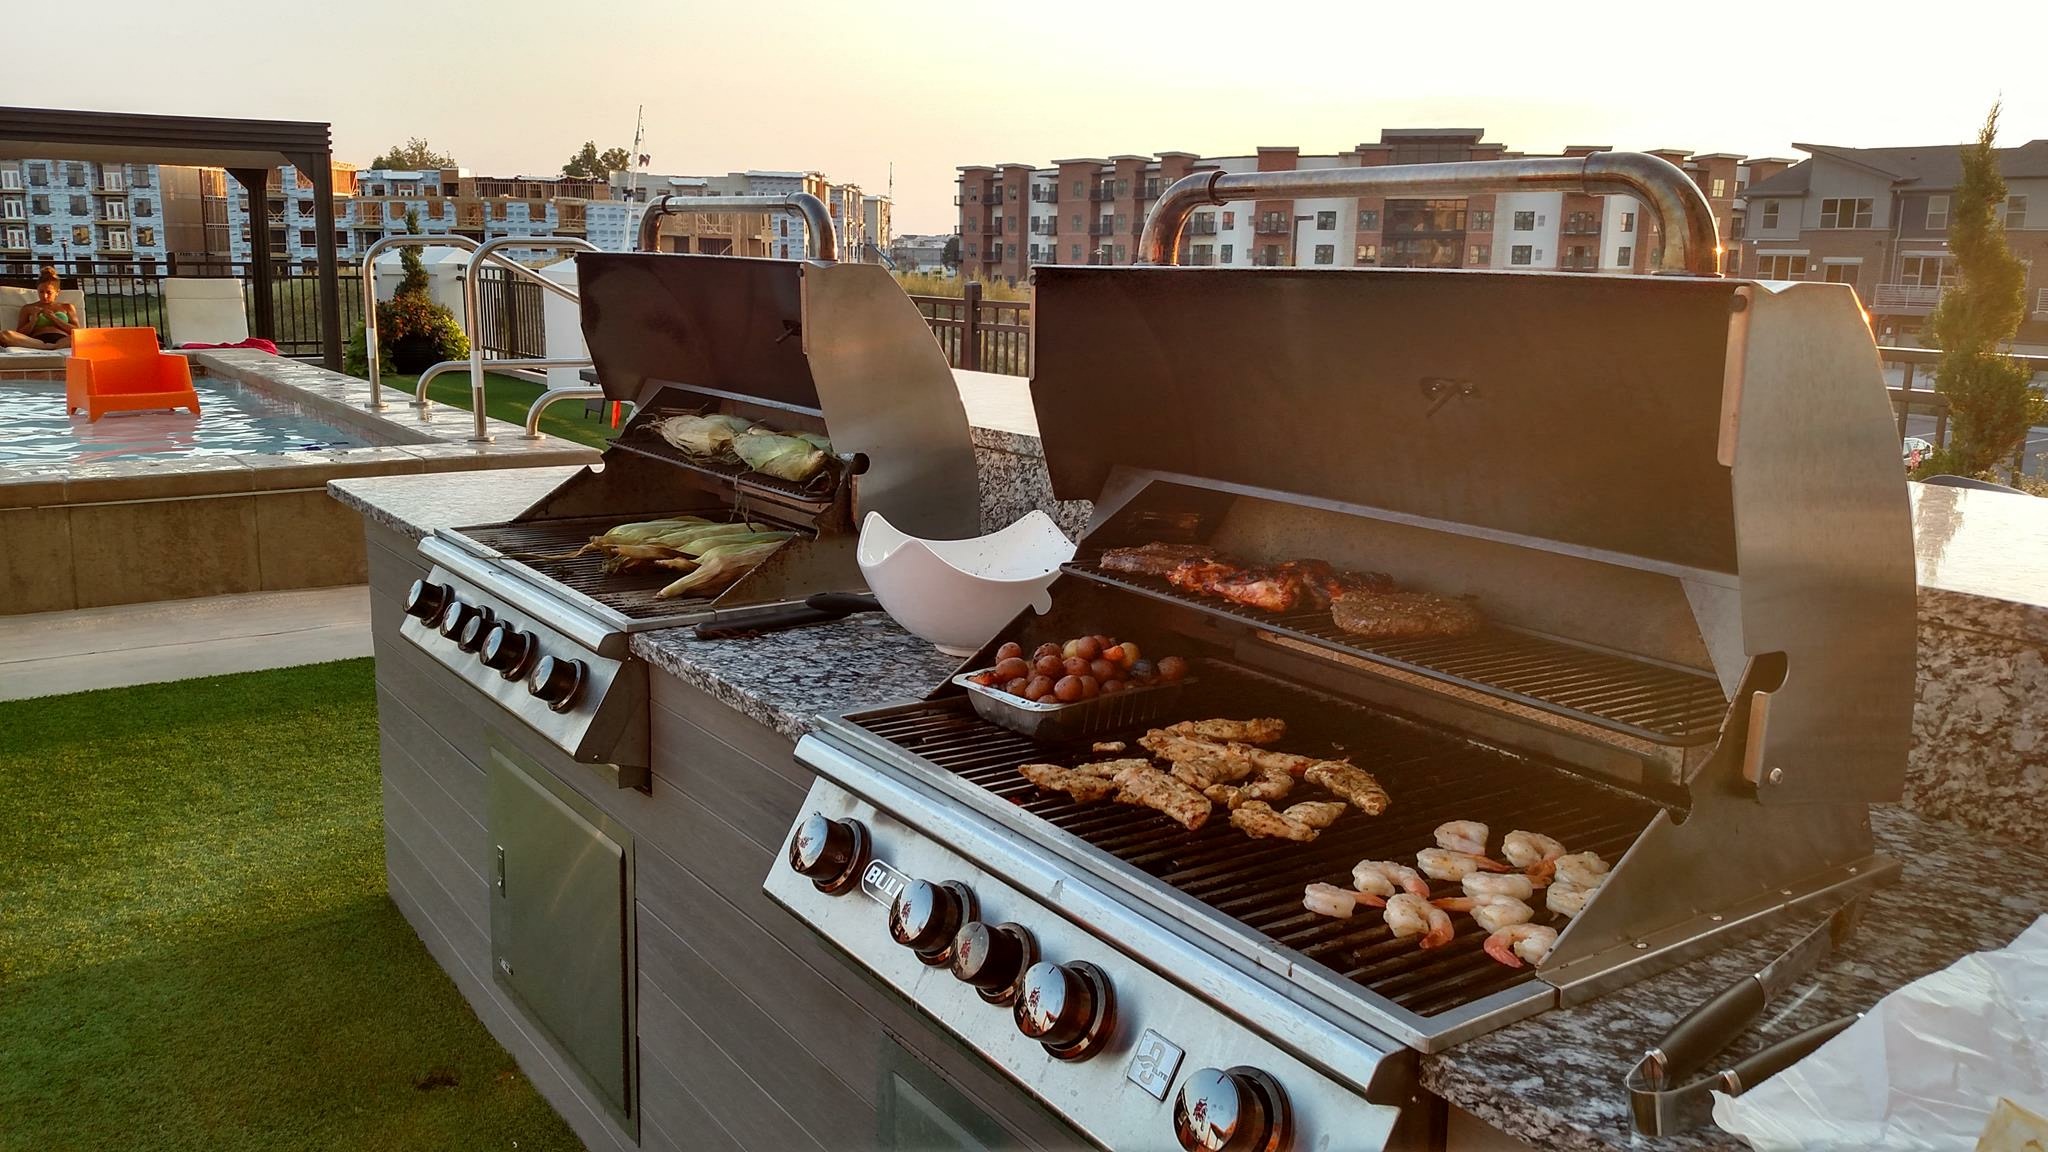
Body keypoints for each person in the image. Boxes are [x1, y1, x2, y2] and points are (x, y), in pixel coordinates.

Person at [3, 268, 80, 349]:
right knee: (5, 334)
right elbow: (20, 334)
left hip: (62, 340)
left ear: (57, 292)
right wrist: (33, 321)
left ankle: (51, 347)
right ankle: (47, 347)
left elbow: (77, 331)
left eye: (49, 292)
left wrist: (54, 318)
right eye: (41, 292)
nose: (44, 296)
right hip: (35, 341)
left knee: (85, 336)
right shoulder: (28, 308)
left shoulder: (67, 307)